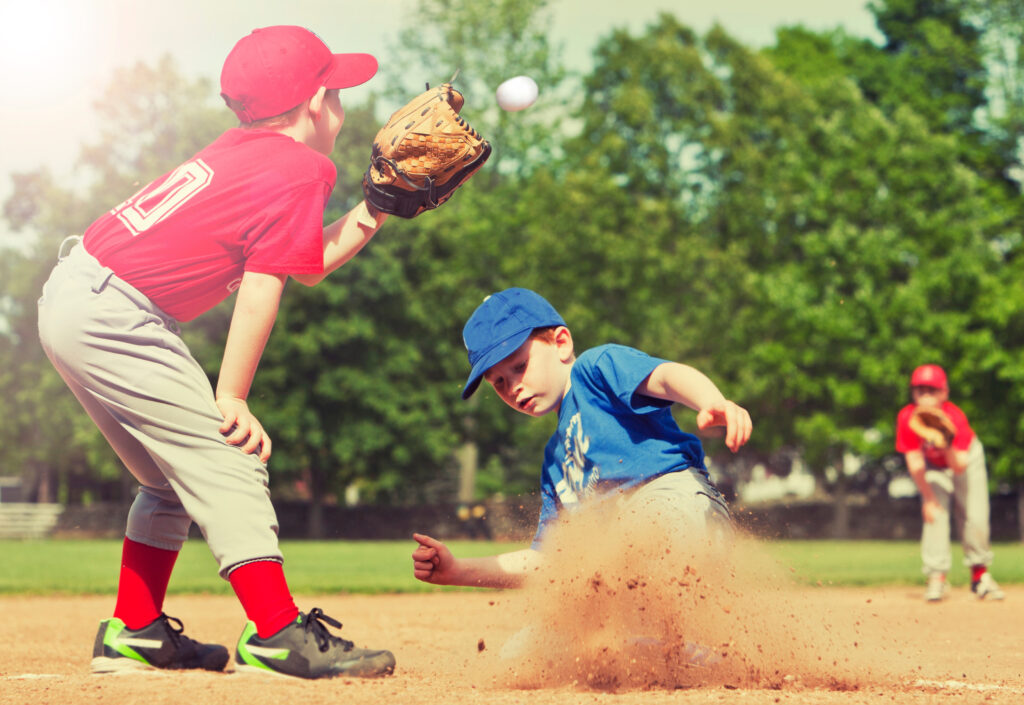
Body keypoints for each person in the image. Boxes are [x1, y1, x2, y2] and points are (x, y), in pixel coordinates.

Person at [37, 26, 398, 679]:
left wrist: (374, 210)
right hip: (118, 312)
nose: (342, 107)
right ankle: (277, 631)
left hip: (75, 295)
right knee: (229, 454)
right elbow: (265, 285)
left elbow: (304, 263)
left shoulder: (246, 153)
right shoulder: (303, 166)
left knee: (164, 481)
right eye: (338, 92)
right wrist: (230, 396)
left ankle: (136, 631)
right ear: (318, 103)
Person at [411, 287, 751, 590]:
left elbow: (665, 377)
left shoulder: (595, 369)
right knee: (539, 642)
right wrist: (457, 570)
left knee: (623, 543)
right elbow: (549, 562)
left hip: (679, 507)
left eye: (518, 366)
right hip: (627, 555)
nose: (512, 387)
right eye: (498, 382)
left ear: (561, 343)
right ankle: (669, 649)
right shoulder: (555, 464)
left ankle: (677, 641)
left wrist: (710, 400)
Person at [895, 364, 1004, 602]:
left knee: (974, 515)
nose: (925, 395)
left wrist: (945, 442)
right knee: (934, 514)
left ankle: (980, 576)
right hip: (933, 468)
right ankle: (937, 578)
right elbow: (914, 461)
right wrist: (928, 498)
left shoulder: (955, 417)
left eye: (931, 390)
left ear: (944, 392)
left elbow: (959, 466)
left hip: (964, 459)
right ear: (913, 393)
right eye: (920, 389)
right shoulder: (907, 418)